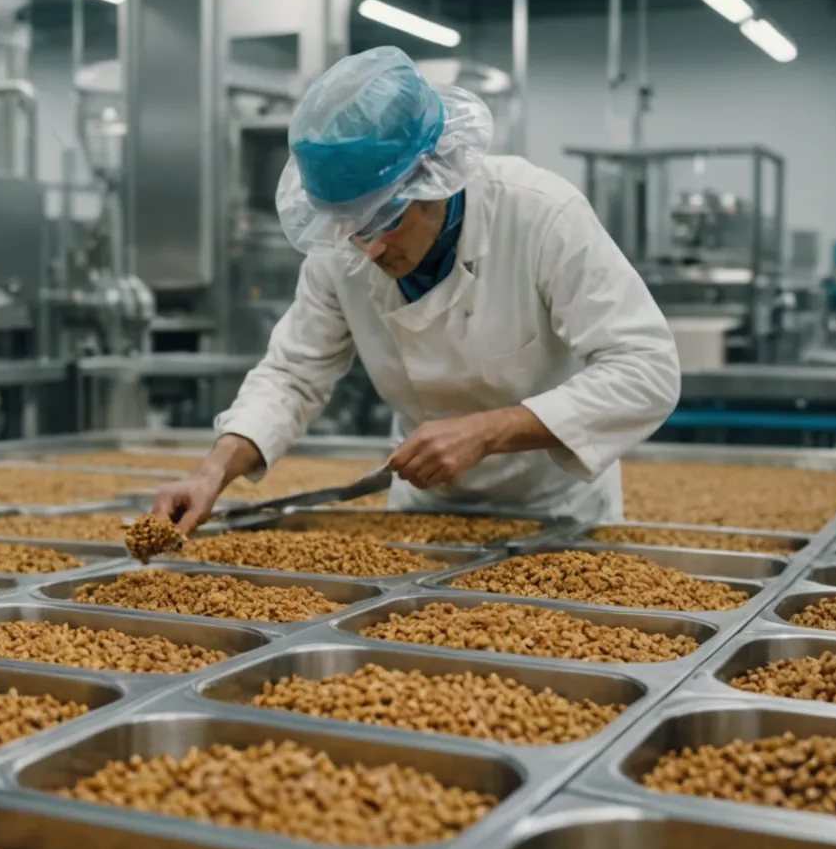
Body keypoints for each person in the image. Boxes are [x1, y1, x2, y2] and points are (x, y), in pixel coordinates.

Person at [153, 46, 680, 531]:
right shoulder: (344, 250)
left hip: (558, 511)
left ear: (435, 177)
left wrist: (488, 431)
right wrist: (212, 473)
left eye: (387, 220)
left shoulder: (540, 215)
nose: (372, 250)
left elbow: (645, 369)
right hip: (423, 514)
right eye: (354, 227)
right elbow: (293, 374)